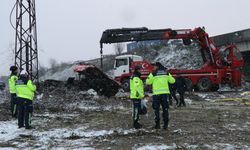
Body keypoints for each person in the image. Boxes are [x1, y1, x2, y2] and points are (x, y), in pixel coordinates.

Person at [146, 62, 175, 129]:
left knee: (156, 110)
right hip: (165, 95)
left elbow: (148, 82)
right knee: (165, 109)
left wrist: (150, 77)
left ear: (157, 66)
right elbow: (172, 81)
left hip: (157, 95)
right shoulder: (166, 72)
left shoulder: (153, 73)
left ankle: (157, 125)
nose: (153, 67)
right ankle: (165, 125)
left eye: (154, 66)